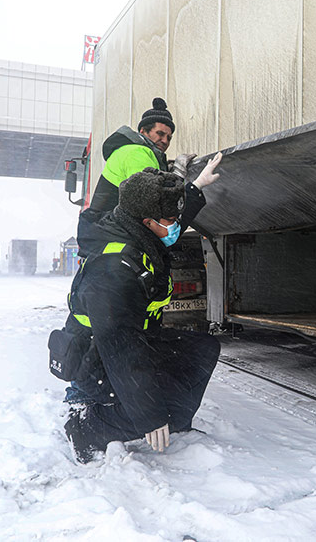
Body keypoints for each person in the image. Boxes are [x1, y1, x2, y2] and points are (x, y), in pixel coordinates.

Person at [52, 156, 222, 463]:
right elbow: (122, 352)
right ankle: (87, 428)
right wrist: (150, 415)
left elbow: (170, 223)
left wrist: (195, 188)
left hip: (126, 343)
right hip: (96, 365)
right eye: (169, 221)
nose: (176, 227)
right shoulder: (113, 271)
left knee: (202, 348)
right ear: (148, 222)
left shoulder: (137, 232)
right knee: (155, 405)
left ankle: (175, 421)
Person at [78, 97, 198, 254]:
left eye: (168, 137)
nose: (165, 141)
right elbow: (151, 199)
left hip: (108, 234)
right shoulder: (137, 152)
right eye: (160, 134)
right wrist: (178, 173)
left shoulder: (135, 152)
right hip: (116, 236)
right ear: (143, 131)